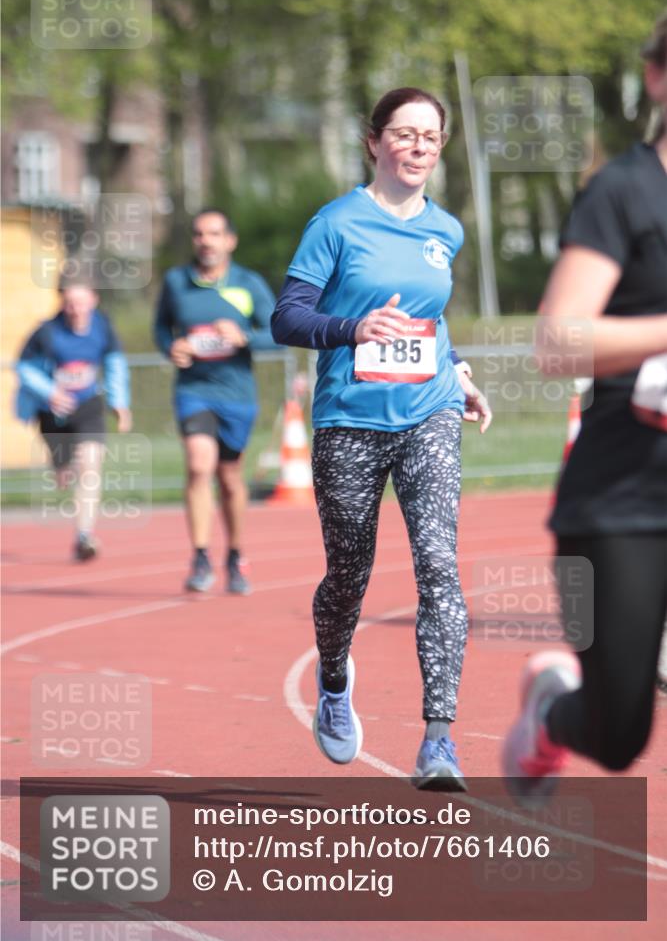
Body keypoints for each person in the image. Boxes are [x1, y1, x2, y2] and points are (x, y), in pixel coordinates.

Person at [272, 87, 492, 790]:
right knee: (349, 575)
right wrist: (351, 328)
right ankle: (333, 680)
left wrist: (456, 371)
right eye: (404, 134)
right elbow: (287, 317)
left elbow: (431, 320)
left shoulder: (447, 230)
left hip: (426, 414)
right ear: (374, 142)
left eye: (430, 136)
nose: (419, 146)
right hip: (348, 422)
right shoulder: (335, 223)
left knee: (438, 565)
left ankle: (438, 741)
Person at [503, 12, 667, 798]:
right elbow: (556, 343)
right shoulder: (623, 193)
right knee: (617, 733)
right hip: (621, 500)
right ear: (656, 77)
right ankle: (549, 713)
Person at [154, 208, 279, 595]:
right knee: (198, 465)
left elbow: (278, 330)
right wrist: (170, 347)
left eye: (213, 234)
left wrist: (244, 337)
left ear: (230, 241)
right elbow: (161, 328)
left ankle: (235, 555)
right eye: (198, 234)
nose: (205, 241)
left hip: (236, 394)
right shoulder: (176, 282)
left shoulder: (247, 283)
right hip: (193, 390)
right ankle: (201, 555)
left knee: (229, 479)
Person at [16, 273, 132, 561]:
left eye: (81, 302)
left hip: (88, 405)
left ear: (94, 299)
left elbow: (114, 363)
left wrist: (120, 403)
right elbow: (24, 367)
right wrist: (49, 391)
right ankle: (59, 462)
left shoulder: (103, 326)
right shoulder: (46, 331)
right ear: (61, 302)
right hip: (52, 411)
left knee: (90, 466)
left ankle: (84, 535)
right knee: (64, 472)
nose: (76, 309)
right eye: (69, 303)